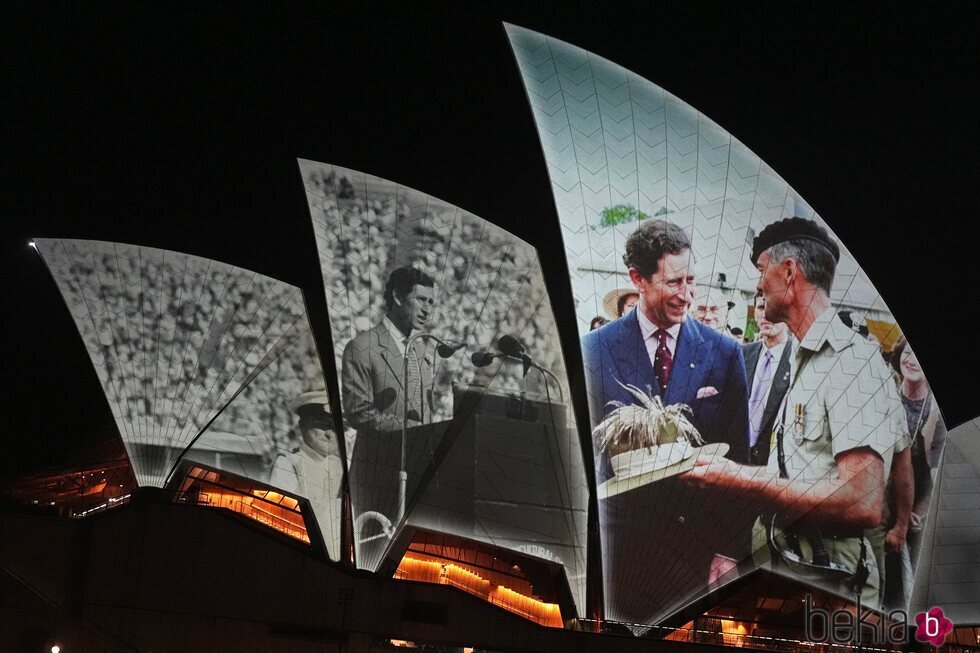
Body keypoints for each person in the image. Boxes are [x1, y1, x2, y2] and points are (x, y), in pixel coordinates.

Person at [685, 217, 910, 609]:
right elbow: (797, 473)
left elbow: (862, 501)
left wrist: (738, 477)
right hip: (788, 576)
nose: (757, 285)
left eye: (761, 271)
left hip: (829, 594)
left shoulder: (850, 361)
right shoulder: (806, 358)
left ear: (789, 272)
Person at [581, 219, 750, 624]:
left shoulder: (724, 354)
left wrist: (729, 551)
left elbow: (739, 461)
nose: (687, 295)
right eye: (674, 282)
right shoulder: (594, 351)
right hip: (615, 552)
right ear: (637, 279)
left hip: (690, 553)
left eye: (691, 280)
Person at [341, 266, 438, 558]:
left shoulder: (424, 353)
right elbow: (358, 413)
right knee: (369, 557)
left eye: (431, 302)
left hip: (416, 478)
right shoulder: (362, 347)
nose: (427, 309)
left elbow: (426, 412)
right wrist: (413, 431)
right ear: (397, 296)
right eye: (421, 300)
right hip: (376, 476)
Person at [890, 336, 946, 563]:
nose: (912, 361)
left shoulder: (937, 412)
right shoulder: (886, 395)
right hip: (881, 509)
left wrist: (921, 513)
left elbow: (940, 474)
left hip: (917, 515)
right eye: (907, 353)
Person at [270, 391, 344, 559]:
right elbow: (281, 517)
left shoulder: (342, 468)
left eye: (334, 427)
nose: (329, 434)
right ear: (302, 426)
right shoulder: (288, 464)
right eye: (321, 425)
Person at [743, 294, 792, 466]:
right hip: (736, 461)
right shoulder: (742, 354)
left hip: (772, 467)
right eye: (761, 308)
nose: (766, 315)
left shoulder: (797, 360)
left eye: (774, 308)